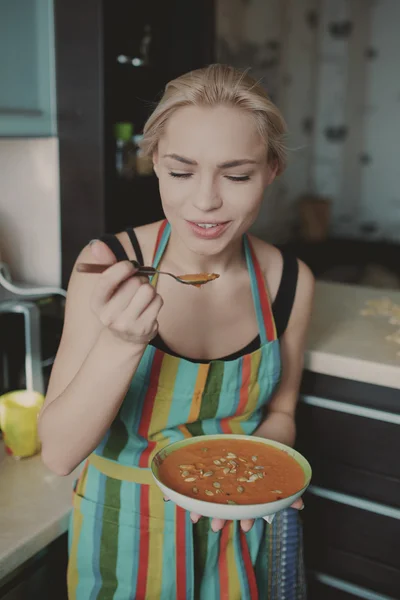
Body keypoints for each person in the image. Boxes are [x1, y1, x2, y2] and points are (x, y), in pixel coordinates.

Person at [39, 64, 314, 599]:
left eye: (236, 176)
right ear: (155, 163)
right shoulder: (107, 263)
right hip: (121, 533)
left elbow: (281, 412)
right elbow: (58, 454)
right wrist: (121, 343)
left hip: (235, 532)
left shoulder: (289, 281)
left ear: (273, 169)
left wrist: (257, 480)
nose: (205, 201)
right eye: (181, 172)